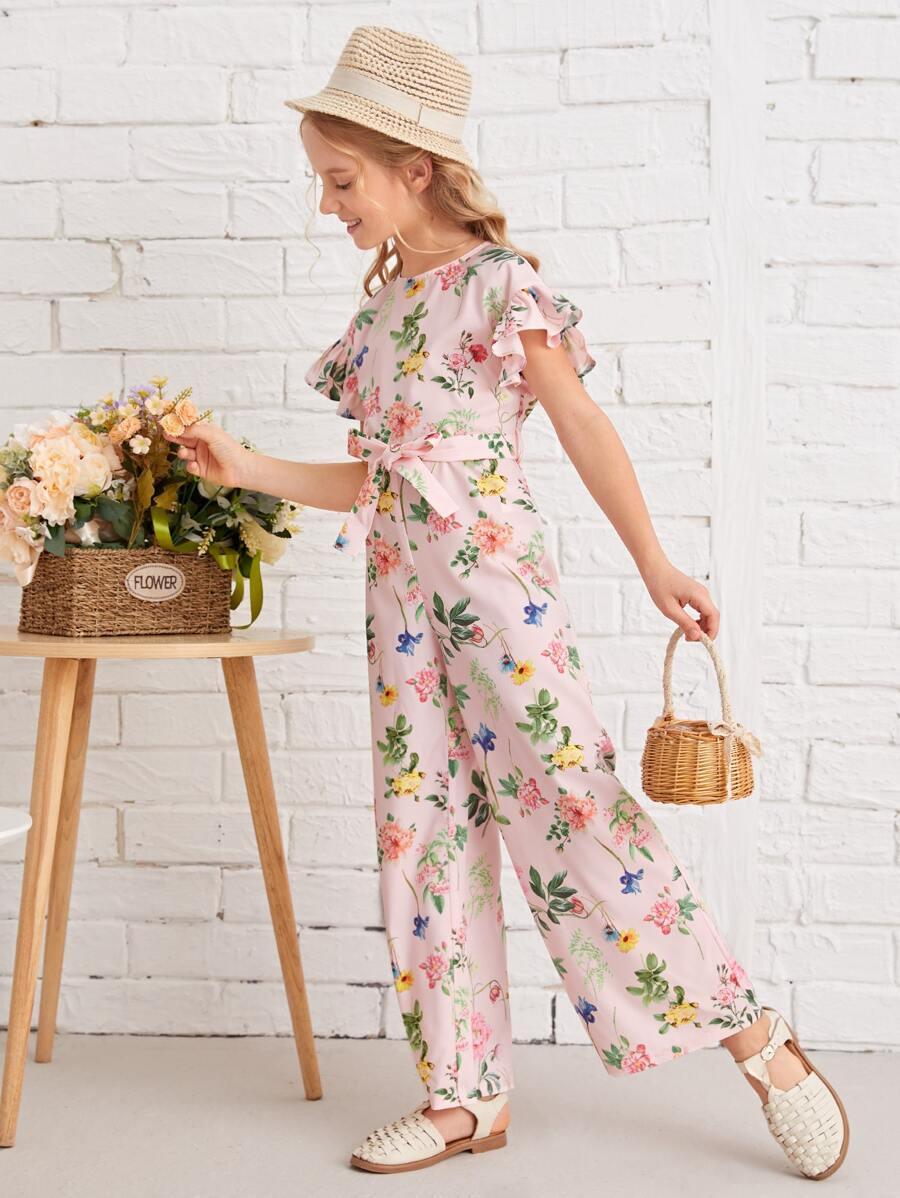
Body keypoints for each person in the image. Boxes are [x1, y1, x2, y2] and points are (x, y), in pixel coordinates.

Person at [163, 24, 849, 1183]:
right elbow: (381, 480)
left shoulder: (499, 285)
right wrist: (246, 468)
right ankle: (465, 1095)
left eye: (342, 180)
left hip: (497, 595)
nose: (328, 204)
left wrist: (654, 562)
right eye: (323, 181)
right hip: (400, 607)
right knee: (420, 833)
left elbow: (578, 420)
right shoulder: (383, 315)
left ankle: (755, 1038)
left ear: (413, 168)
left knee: (575, 810)